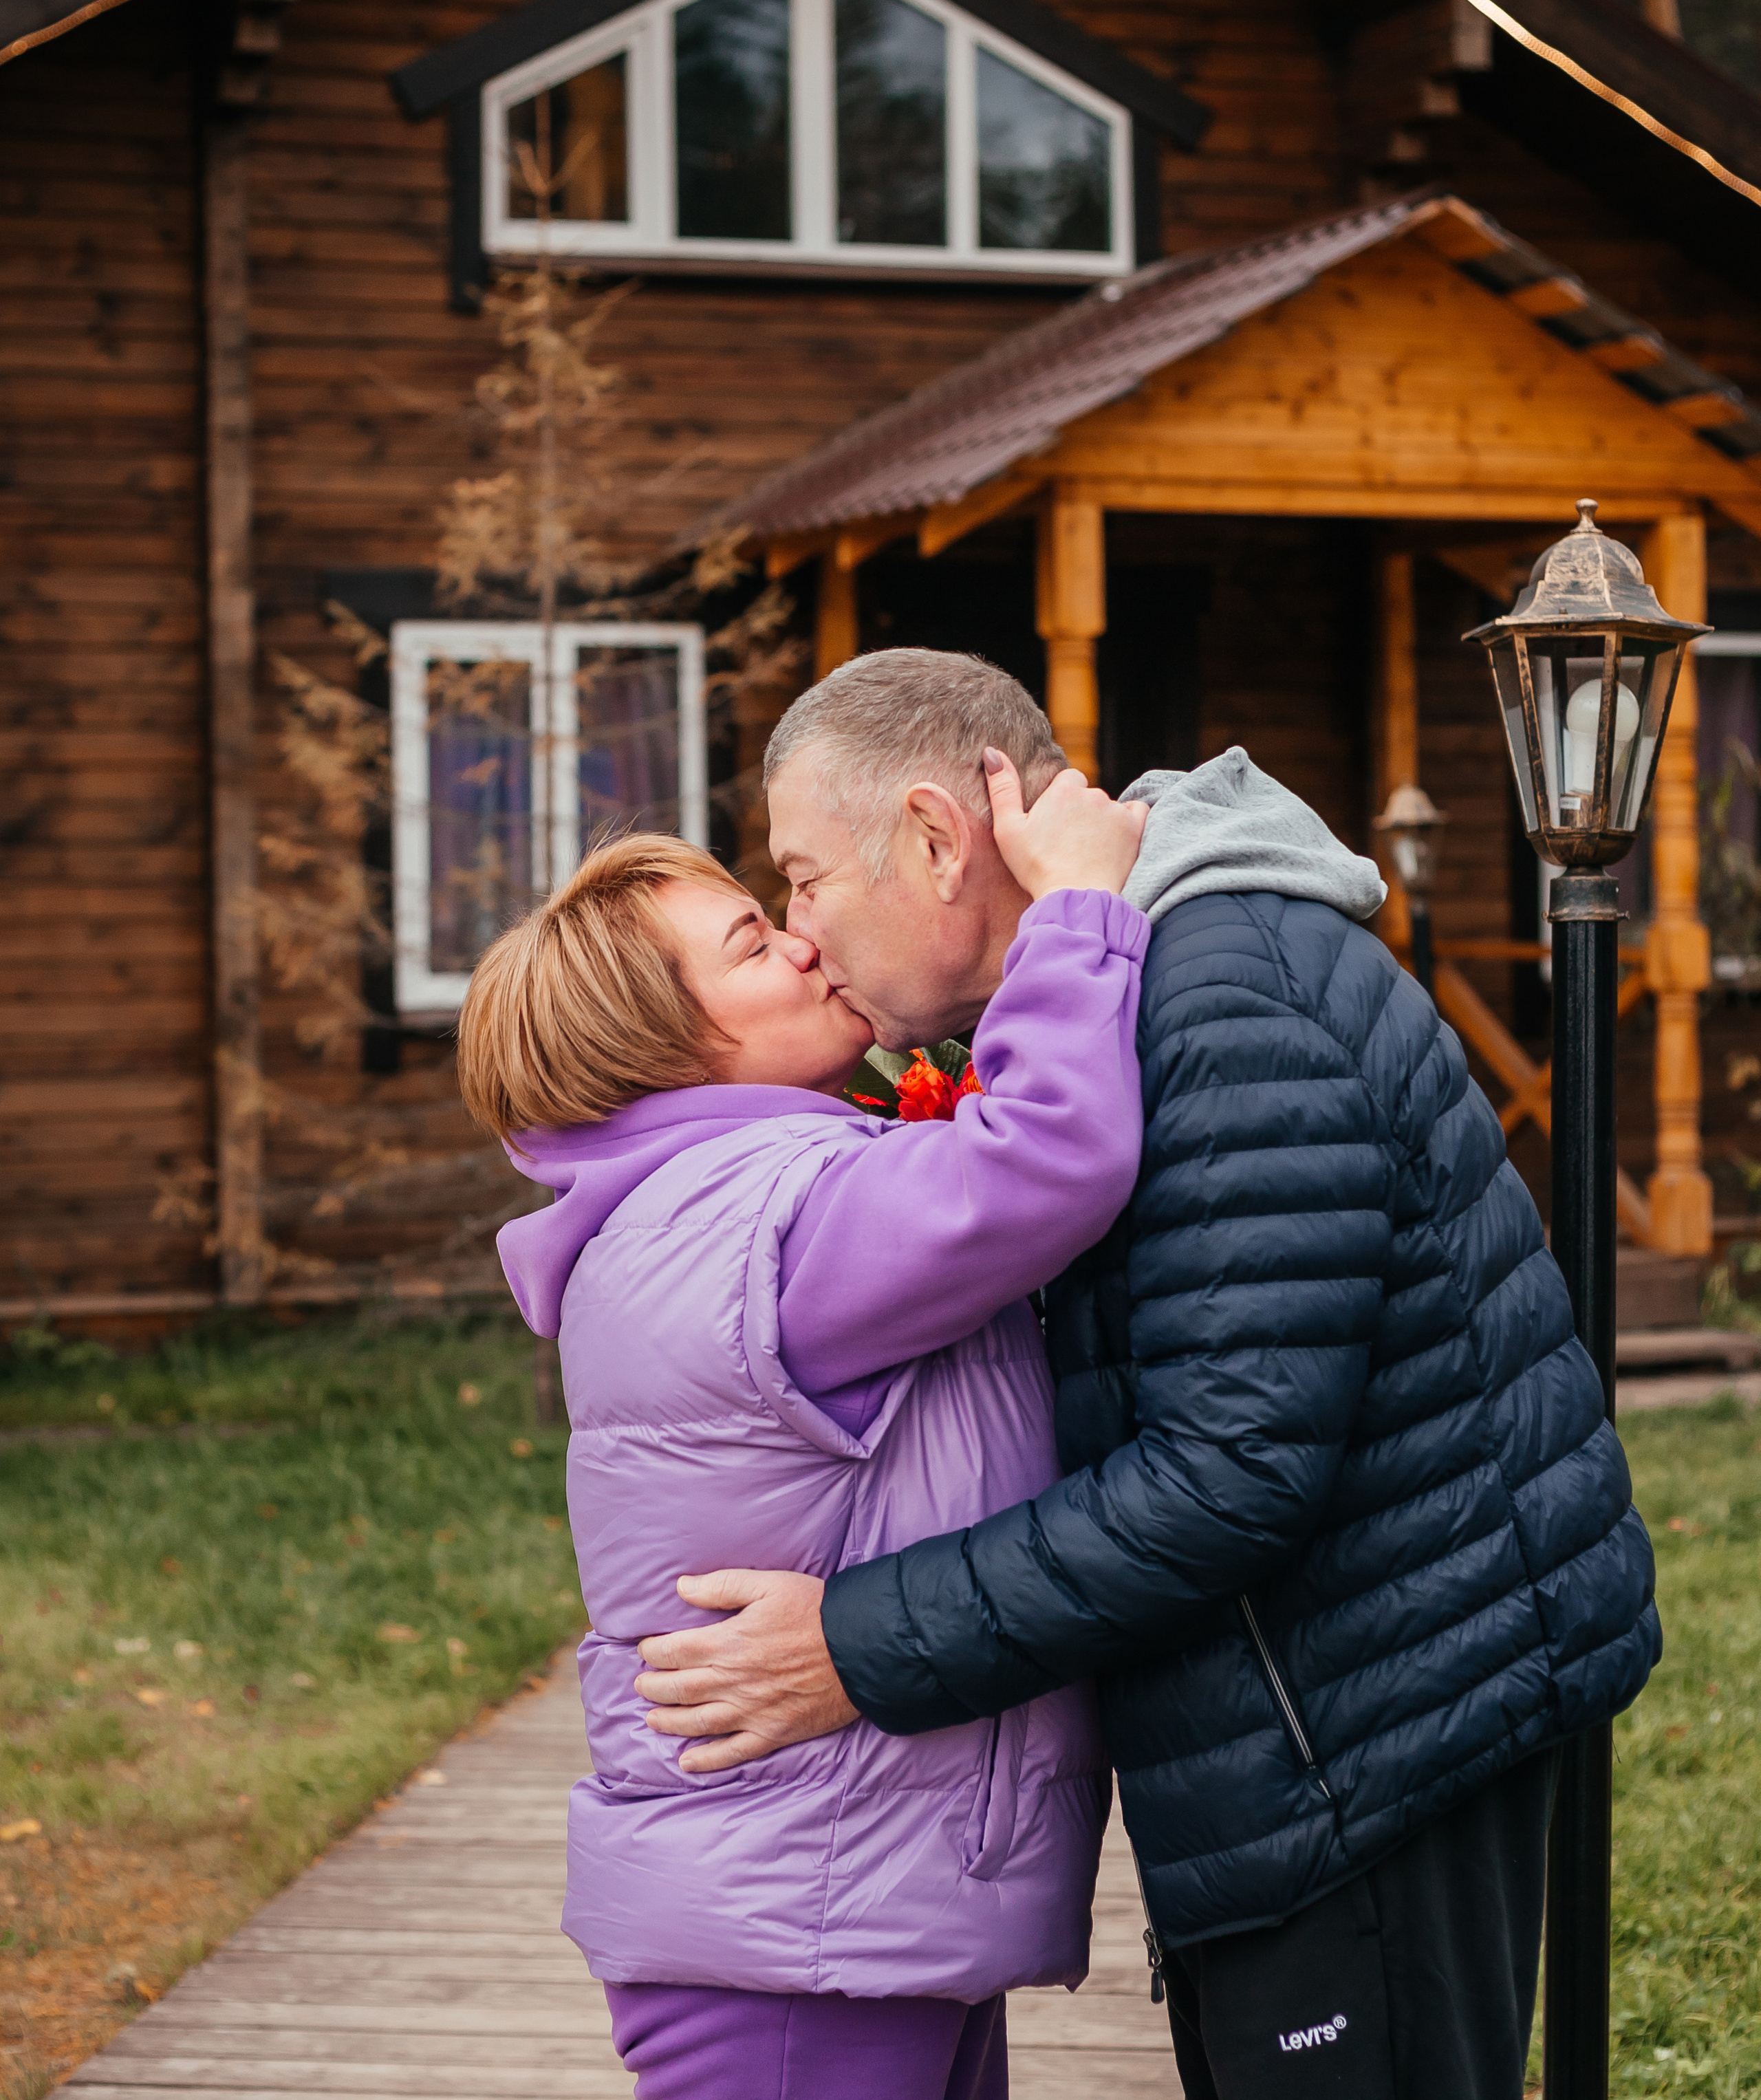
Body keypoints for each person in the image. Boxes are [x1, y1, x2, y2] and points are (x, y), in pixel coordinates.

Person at [631, 648, 1661, 2100]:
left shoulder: (1217, 1006)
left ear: (934, 839)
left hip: (1366, 1735)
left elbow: (1232, 1473)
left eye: (801, 876)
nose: (800, 929)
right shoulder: (1146, 987)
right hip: (1320, 1709)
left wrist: (853, 1646)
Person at [460, 747, 1152, 2100]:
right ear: (659, 1043)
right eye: (749, 939)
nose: (799, 942)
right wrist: (1077, 911)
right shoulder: (761, 1224)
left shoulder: (721, 1208)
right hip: (797, 1934)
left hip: (833, 1905)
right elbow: (1048, 1160)